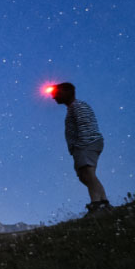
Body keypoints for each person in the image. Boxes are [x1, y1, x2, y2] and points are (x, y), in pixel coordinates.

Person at [50, 82, 110, 214]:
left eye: (56, 93)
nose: (54, 97)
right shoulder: (73, 107)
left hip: (87, 144)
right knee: (84, 175)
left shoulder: (78, 106)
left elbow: (85, 126)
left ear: (67, 91)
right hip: (84, 145)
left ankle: (97, 203)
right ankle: (103, 203)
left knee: (88, 173)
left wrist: (80, 146)